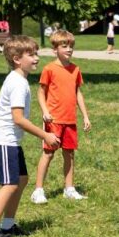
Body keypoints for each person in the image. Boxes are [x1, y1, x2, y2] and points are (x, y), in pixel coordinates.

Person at [0, 36, 61, 237]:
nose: (36, 58)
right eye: (31, 55)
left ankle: (8, 225)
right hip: (3, 138)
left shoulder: (19, 79)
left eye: (36, 53)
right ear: (17, 58)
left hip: (10, 139)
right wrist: (45, 135)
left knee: (21, 179)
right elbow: (18, 119)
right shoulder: (17, 83)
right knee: (9, 184)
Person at [31, 30, 92, 204]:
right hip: (54, 120)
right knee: (48, 154)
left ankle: (69, 189)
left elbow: (77, 93)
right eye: (64, 46)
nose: (69, 49)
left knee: (69, 154)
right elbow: (41, 92)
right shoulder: (49, 69)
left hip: (70, 120)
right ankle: (38, 190)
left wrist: (85, 116)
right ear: (55, 49)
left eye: (71, 46)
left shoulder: (75, 69)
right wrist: (45, 111)